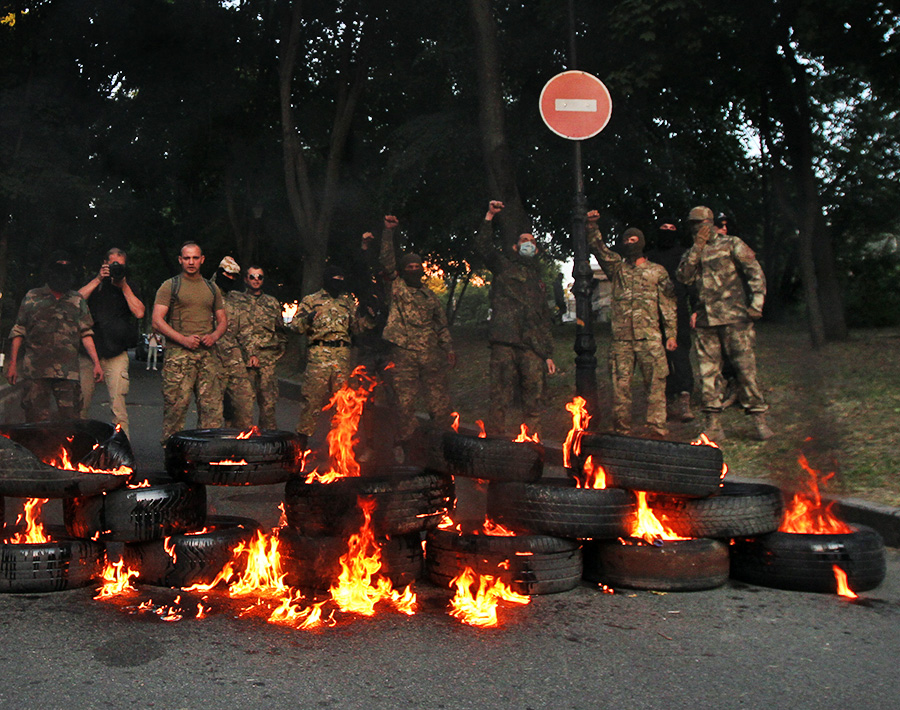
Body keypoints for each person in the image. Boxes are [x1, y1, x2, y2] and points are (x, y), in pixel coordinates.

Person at [676, 205, 773, 441]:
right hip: (706, 322)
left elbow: (755, 272)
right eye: (693, 225)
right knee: (708, 374)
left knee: (745, 369)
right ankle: (713, 424)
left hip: (735, 318)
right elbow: (683, 277)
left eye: (700, 223)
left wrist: (756, 304)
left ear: (710, 222)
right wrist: (697, 247)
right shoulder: (693, 252)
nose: (697, 228)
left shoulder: (732, 244)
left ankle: (759, 419)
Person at [586, 211, 677, 438]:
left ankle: (657, 429)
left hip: (650, 339)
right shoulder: (617, 270)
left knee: (655, 387)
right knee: (620, 389)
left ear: (643, 243)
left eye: (634, 240)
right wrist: (592, 225)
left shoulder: (657, 272)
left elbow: (668, 305)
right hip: (622, 341)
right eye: (626, 240)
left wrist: (671, 334)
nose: (629, 244)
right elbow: (600, 249)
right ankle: (622, 430)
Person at [474, 200, 556, 436]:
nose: (528, 244)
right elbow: (483, 247)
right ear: (514, 247)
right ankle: (495, 443)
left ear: (537, 250)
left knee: (534, 397)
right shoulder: (504, 266)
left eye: (531, 241)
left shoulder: (538, 281)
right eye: (523, 241)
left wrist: (547, 354)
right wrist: (489, 216)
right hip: (505, 342)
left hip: (531, 347)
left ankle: (532, 444)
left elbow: (543, 320)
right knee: (499, 397)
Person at [379, 214, 455, 460]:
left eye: (417, 266)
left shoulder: (430, 296)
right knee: (405, 404)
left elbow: (441, 326)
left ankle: (440, 444)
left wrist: (449, 349)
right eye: (409, 267)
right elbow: (387, 261)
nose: (414, 270)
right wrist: (388, 232)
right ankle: (409, 447)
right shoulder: (397, 287)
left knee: (439, 402)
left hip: (430, 355)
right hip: (404, 355)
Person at [6, 251, 104, 422]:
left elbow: (86, 332)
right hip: (36, 371)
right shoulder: (32, 297)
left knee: (70, 420)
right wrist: (13, 364)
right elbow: (19, 330)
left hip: (68, 372)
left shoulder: (76, 300)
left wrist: (96, 363)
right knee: (36, 419)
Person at [151, 241, 227, 444]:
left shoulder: (212, 288)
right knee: (176, 410)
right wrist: (182, 339)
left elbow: (222, 321)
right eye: (187, 258)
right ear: (180, 260)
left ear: (202, 260)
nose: (191, 262)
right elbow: (157, 320)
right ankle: (173, 455)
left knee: (211, 411)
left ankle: (207, 456)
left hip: (207, 356)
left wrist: (214, 336)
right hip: (178, 357)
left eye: (195, 258)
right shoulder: (170, 285)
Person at [287, 265, 363, 438]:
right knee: (311, 401)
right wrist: (308, 318)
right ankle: (302, 444)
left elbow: (358, 329)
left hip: (342, 356)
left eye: (341, 279)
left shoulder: (347, 302)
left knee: (343, 403)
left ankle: (339, 448)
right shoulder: (312, 300)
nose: (338, 282)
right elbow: (295, 326)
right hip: (319, 356)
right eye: (334, 278)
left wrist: (369, 316)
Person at [77, 247, 145, 438]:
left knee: (118, 408)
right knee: (81, 405)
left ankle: (122, 451)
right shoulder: (94, 281)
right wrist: (99, 279)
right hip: (88, 353)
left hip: (116, 353)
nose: (116, 268)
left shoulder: (129, 284)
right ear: (104, 264)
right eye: (113, 264)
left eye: (120, 265)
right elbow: (74, 301)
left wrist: (123, 285)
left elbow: (139, 312)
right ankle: (78, 448)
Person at [645, 219, 695, 422]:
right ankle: (668, 397)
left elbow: (691, 281)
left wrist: (695, 308)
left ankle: (685, 397)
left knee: (680, 354)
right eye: (664, 228)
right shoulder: (651, 256)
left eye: (672, 229)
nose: (667, 232)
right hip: (655, 314)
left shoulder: (684, 254)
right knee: (660, 357)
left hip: (679, 310)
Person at [237, 264, 286, 430]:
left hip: (267, 360)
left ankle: (267, 444)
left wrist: (276, 354)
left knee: (268, 405)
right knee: (243, 406)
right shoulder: (237, 302)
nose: (256, 280)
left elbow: (280, 330)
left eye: (260, 277)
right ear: (246, 279)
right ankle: (242, 443)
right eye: (252, 276)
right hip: (243, 361)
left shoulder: (271, 303)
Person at [213, 256, 255, 430]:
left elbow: (244, 329)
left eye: (234, 277)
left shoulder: (236, 299)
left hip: (233, 357)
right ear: (220, 272)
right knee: (212, 410)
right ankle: (210, 449)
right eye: (227, 275)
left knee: (244, 403)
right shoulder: (204, 292)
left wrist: (251, 353)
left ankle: (241, 444)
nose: (229, 279)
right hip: (210, 356)